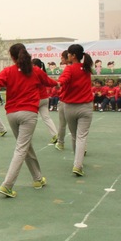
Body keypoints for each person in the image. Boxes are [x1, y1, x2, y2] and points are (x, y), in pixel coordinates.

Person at [0, 43, 57, 198]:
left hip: (12, 114)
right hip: (28, 114)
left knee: (25, 146)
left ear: (12, 57)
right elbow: (48, 82)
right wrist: (59, 83)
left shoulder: (8, 71)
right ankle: (7, 185)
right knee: (22, 148)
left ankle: (38, 178)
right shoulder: (36, 71)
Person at [58, 44, 94, 176]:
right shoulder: (87, 68)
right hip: (86, 107)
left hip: (70, 107)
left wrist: (56, 83)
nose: (67, 56)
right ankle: (78, 165)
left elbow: (63, 81)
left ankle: (77, 163)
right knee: (81, 136)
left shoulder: (69, 69)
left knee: (74, 136)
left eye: (68, 54)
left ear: (73, 55)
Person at [32, 59, 58, 143]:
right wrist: (57, 83)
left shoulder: (33, 72)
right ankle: (55, 134)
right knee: (46, 118)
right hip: (44, 98)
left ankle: (26, 136)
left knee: (31, 119)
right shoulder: (43, 73)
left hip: (35, 99)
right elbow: (49, 82)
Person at [55, 50, 70, 151]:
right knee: (80, 129)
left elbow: (61, 82)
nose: (61, 59)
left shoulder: (69, 69)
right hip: (81, 102)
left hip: (66, 100)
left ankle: (60, 142)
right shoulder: (84, 69)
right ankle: (82, 148)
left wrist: (57, 85)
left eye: (62, 57)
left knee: (62, 124)